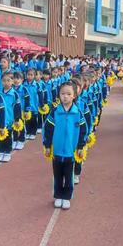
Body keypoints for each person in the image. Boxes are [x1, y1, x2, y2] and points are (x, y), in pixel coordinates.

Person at [43, 81, 87, 210]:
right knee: (57, 175)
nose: (65, 96)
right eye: (63, 94)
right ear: (59, 95)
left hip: (70, 152)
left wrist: (80, 146)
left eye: (69, 94)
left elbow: (84, 130)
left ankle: (66, 197)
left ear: (74, 95)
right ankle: (58, 195)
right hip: (56, 151)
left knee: (69, 176)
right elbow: (48, 129)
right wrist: (47, 145)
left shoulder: (78, 113)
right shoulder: (55, 112)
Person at [0, 72, 21, 163]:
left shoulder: (14, 94)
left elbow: (17, 108)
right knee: (0, 135)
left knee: (8, 136)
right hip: (1, 119)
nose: (6, 83)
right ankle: (1, 151)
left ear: (12, 81)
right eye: (4, 81)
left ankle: (7, 152)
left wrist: (17, 119)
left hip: (10, 119)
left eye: (8, 80)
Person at [13, 71, 30, 150]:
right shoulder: (11, 88)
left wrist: (27, 110)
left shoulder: (24, 89)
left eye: (18, 78)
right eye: (14, 78)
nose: (16, 80)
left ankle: (22, 139)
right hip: (13, 111)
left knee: (21, 125)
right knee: (14, 126)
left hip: (22, 110)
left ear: (22, 79)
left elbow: (27, 100)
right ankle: (15, 139)